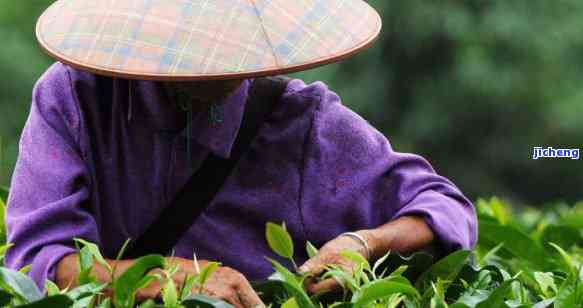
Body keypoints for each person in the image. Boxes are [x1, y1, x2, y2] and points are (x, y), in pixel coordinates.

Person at [5, 0, 477, 307]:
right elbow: (36, 262)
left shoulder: (301, 121)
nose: (210, 67)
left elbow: (444, 206)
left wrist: (365, 244)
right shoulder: (75, 97)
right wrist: (177, 278)